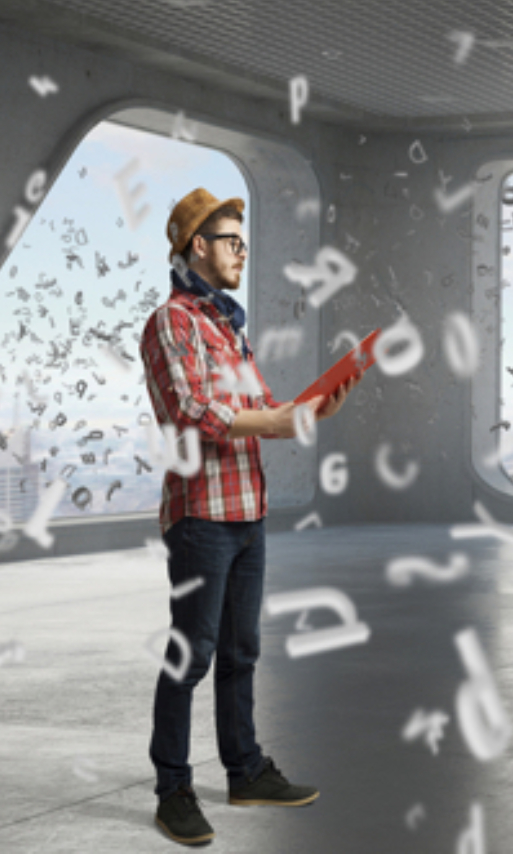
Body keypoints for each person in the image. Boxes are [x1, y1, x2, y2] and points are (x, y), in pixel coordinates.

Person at [139, 188, 362, 846]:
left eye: (242, 241)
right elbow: (191, 412)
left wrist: (316, 408)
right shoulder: (172, 322)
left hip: (246, 511)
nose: (242, 251)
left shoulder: (227, 324)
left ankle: (244, 771)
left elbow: (262, 407)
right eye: (232, 241)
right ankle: (172, 790)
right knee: (192, 653)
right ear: (196, 247)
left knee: (241, 652)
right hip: (201, 516)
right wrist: (275, 418)